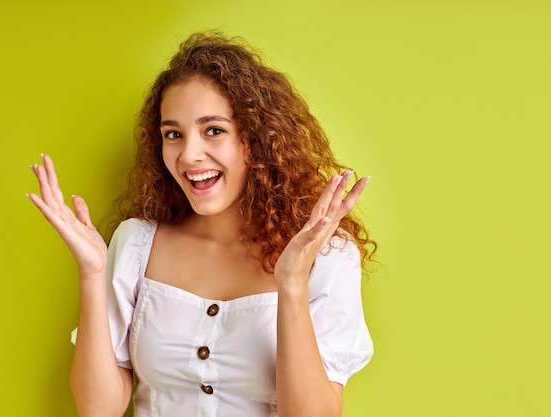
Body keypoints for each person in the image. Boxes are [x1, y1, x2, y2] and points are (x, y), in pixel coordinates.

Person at [28, 32, 376, 417]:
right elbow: (99, 410)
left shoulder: (326, 255)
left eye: (214, 130)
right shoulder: (137, 244)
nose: (189, 155)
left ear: (254, 139)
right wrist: (93, 275)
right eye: (173, 134)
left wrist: (291, 283)